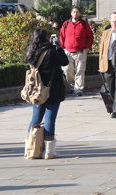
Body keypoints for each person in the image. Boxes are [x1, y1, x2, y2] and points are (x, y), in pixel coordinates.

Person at [24, 27, 69, 159]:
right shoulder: (51, 52)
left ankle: (30, 147)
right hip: (52, 89)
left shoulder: (31, 52)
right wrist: (59, 47)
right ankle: (49, 150)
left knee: (35, 118)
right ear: (46, 38)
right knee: (50, 119)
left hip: (37, 90)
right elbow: (64, 61)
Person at [59, 6, 94, 97]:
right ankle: (72, 84)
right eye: (74, 12)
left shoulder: (84, 24)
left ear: (80, 13)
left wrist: (88, 48)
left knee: (80, 71)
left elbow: (90, 37)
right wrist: (62, 48)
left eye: (77, 12)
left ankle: (78, 89)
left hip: (81, 52)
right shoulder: (66, 24)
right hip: (68, 51)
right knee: (67, 70)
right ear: (71, 13)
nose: (76, 13)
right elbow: (62, 36)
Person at [97, 13, 116, 119]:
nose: (114, 23)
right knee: (110, 85)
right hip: (108, 63)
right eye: (112, 21)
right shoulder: (106, 33)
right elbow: (102, 50)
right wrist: (100, 65)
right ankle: (115, 106)